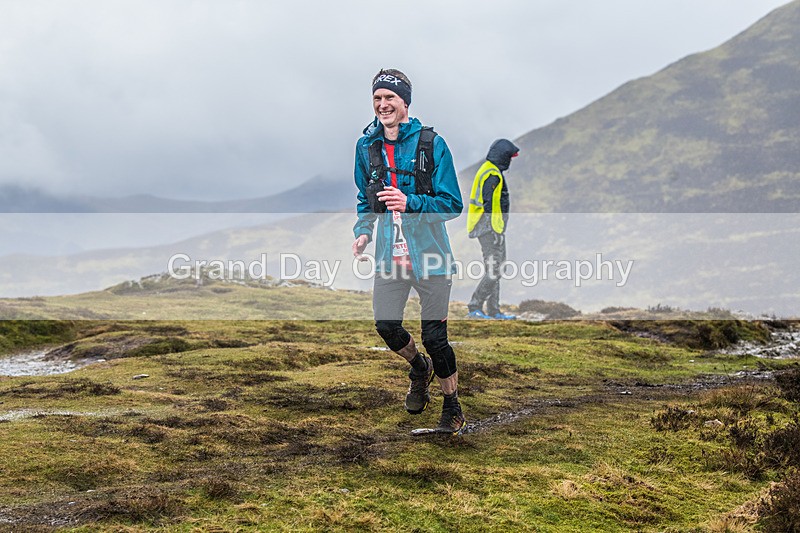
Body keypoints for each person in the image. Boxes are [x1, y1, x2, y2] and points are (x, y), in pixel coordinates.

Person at [352, 68, 466, 435]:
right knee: (386, 325)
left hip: (431, 256)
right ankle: (419, 368)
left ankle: (453, 407)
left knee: (436, 338)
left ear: (405, 103)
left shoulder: (433, 144)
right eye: (377, 99)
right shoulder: (365, 147)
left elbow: (451, 204)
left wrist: (410, 201)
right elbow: (364, 199)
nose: (383, 105)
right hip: (389, 256)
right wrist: (364, 232)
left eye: (390, 98)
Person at [466, 139, 520, 320]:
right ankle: (475, 307)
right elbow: (490, 205)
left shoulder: (490, 170)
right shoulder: (492, 174)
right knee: (494, 269)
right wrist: (496, 231)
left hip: (491, 228)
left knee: (497, 267)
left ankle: (494, 311)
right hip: (488, 228)